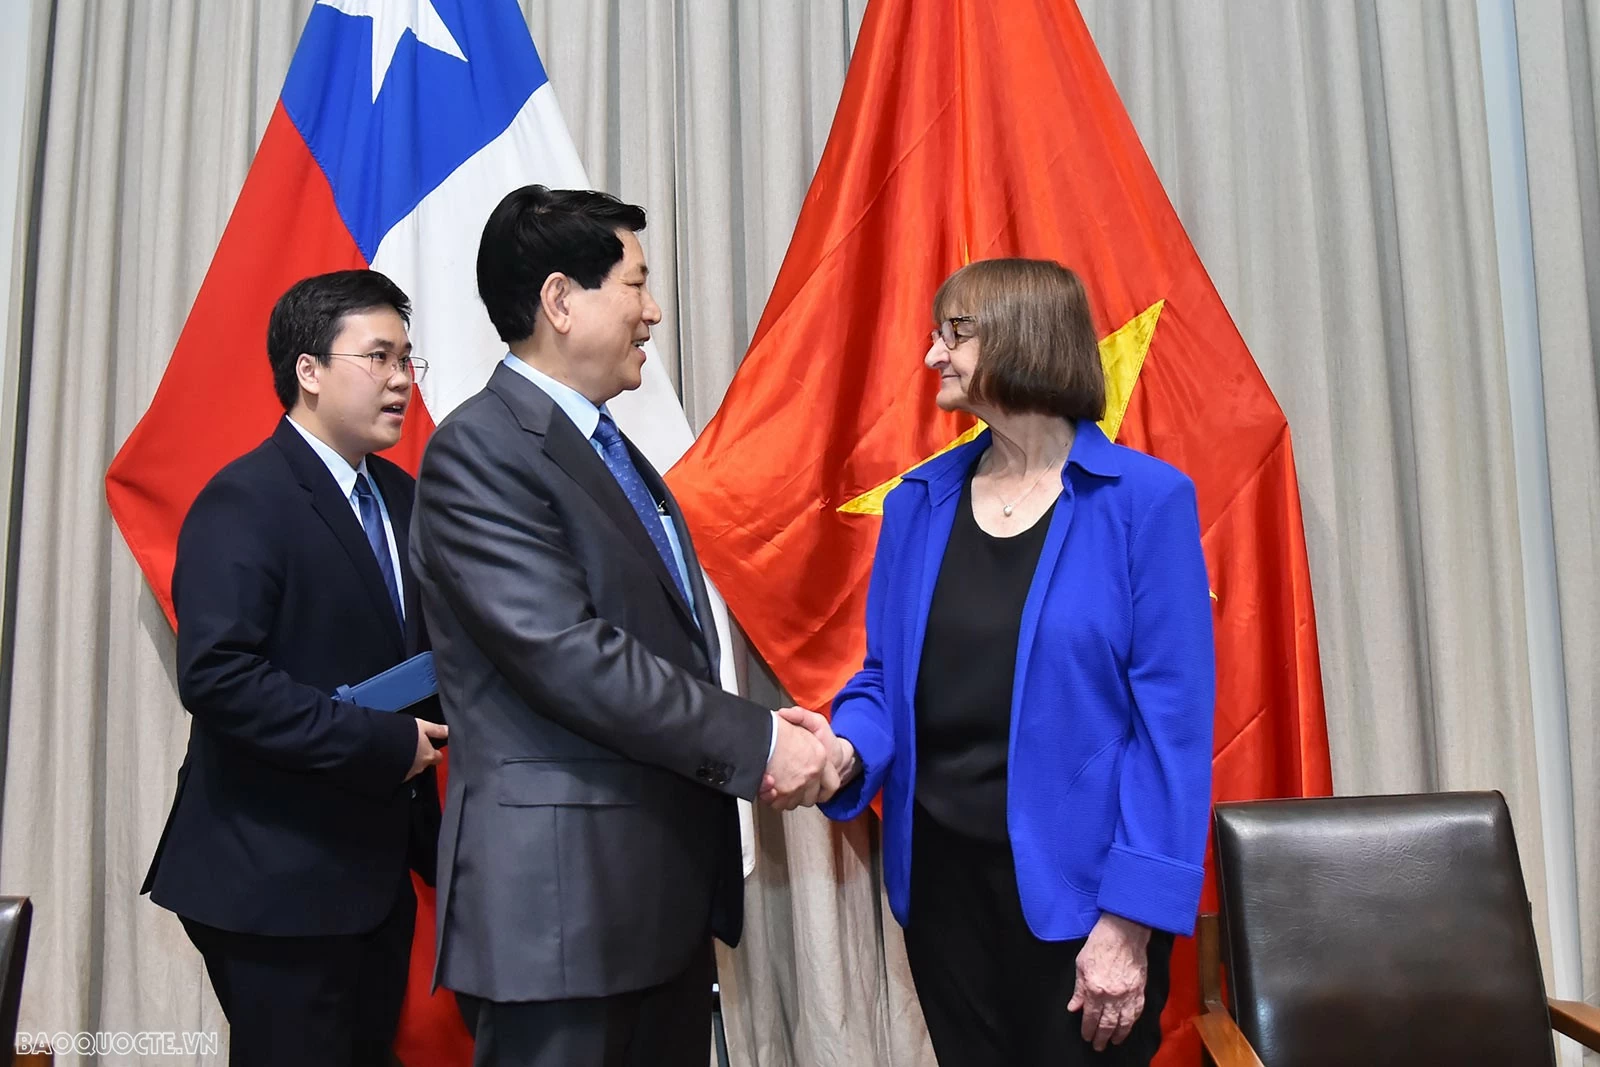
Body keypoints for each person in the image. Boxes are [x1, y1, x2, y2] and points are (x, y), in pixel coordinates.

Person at [410, 184, 831, 1067]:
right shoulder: (479, 451)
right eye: (635, 285)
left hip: (651, 910)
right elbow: (570, 656)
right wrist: (757, 742)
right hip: (561, 922)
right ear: (561, 300)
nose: (653, 311)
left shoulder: (609, 447)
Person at [813, 258, 1215, 1066]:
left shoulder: (1145, 502)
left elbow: (1170, 729)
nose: (933, 355)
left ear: (1025, 336)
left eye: (953, 333)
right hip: (942, 899)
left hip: (1084, 905)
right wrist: (841, 749)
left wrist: (1129, 921)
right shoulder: (916, 504)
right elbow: (886, 680)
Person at [142, 269, 449, 1066]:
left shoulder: (402, 495)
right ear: (308, 371)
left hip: (373, 872)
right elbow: (218, 678)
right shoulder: (246, 498)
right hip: (275, 879)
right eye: (377, 357)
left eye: (405, 360)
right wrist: (385, 746)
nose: (398, 381)